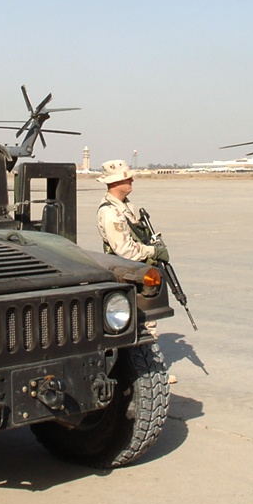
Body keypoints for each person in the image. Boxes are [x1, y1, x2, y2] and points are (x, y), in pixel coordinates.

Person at [96, 158, 176, 382]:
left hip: (138, 270)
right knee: (138, 324)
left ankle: (151, 369)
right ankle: (149, 374)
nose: (130, 180)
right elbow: (124, 250)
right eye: (126, 178)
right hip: (127, 273)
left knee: (148, 321)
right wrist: (152, 252)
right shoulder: (110, 212)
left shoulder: (127, 207)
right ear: (114, 183)